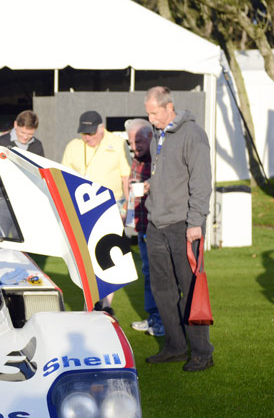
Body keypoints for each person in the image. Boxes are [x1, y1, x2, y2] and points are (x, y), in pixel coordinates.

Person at [142, 86, 214, 371]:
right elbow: (167, 176)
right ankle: (174, 346)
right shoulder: (157, 135)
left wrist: (195, 222)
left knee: (191, 289)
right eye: (147, 113)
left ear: (169, 107)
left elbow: (201, 182)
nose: (150, 119)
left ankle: (202, 353)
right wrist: (151, 188)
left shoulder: (193, 135)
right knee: (162, 290)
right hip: (156, 223)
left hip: (183, 225)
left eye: (154, 113)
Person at [61, 110, 131, 315]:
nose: (87, 137)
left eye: (91, 133)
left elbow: (126, 176)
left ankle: (106, 304)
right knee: (86, 258)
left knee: (111, 255)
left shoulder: (117, 144)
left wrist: (127, 206)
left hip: (112, 205)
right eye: (84, 133)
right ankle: (90, 302)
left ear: (101, 129)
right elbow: (64, 177)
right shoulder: (73, 146)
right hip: (81, 208)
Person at [124, 119, 164, 338]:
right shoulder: (137, 158)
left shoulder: (158, 159)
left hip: (155, 226)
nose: (134, 145)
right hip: (141, 226)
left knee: (158, 276)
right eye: (130, 141)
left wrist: (149, 186)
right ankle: (153, 318)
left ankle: (161, 322)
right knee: (148, 274)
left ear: (149, 137)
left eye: (137, 140)